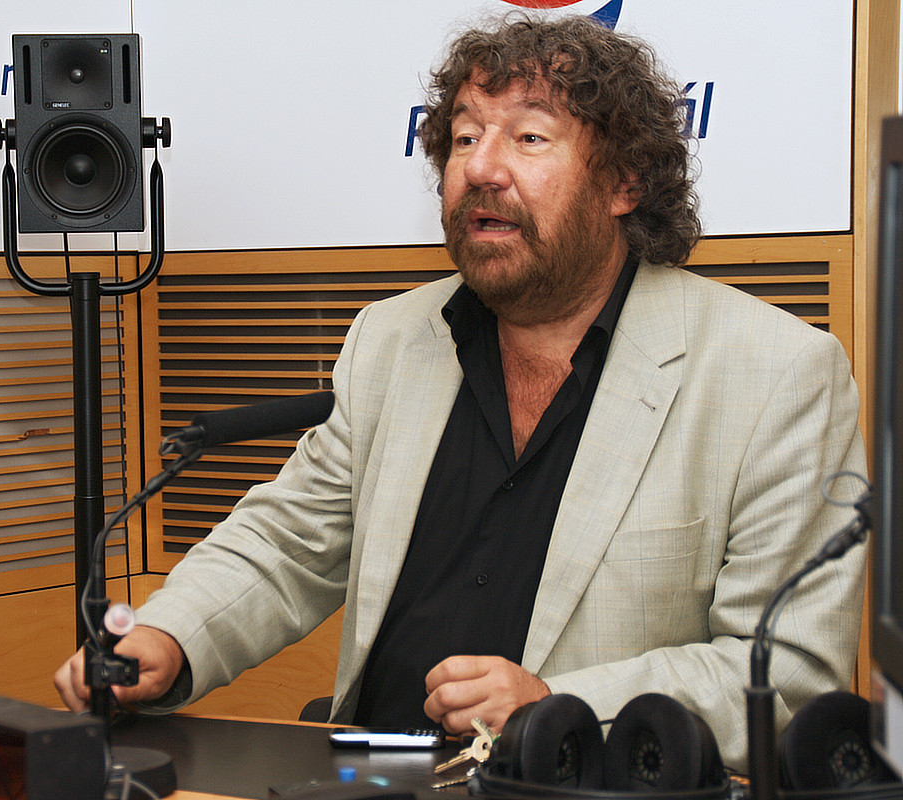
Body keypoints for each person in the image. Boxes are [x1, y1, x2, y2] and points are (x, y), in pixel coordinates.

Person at [55, 14, 865, 769]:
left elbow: (786, 674)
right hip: (375, 774)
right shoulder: (391, 339)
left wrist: (560, 707)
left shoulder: (776, 374)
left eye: (530, 137)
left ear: (624, 182)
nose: (479, 167)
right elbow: (289, 542)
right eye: (466, 137)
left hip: (575, 781)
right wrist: (169, 637)